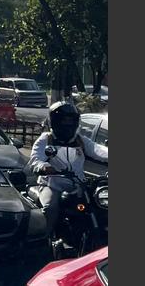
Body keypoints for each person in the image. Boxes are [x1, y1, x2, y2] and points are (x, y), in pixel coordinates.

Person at [29, 101, 108, 235]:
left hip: (78, 185)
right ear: (55, 121)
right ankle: (46, 240)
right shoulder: (46, 139)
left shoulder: (80, 140)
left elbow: (99, 151)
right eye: (64, 120)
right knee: (50, 207)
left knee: (99, 205)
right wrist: (44, 167)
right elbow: (35, 159)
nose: (68, 124)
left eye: (70, 120)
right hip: (52, 184)